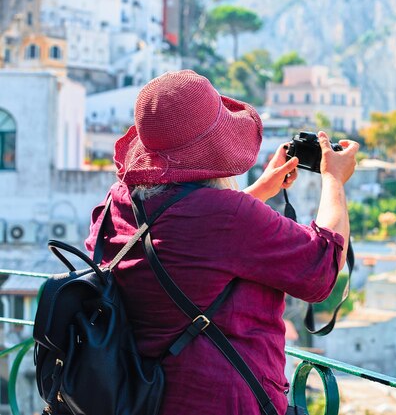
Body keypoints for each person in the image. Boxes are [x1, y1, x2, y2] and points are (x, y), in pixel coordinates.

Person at [84, 70, 358, 415]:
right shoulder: (226, 218)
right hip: (222, 401)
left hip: (136, 397)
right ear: (217, 146)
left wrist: (259, 191)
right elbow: (321, 270)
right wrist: (335, 179)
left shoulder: (118, 202)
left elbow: (184, 238)